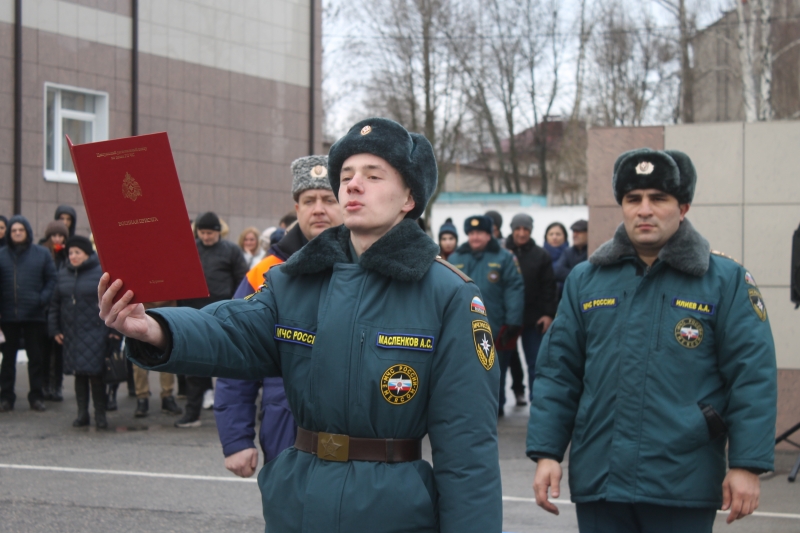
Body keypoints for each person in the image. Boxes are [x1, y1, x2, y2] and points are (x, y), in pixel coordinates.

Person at [100, 117, 502, 533]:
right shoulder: (294, 280)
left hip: (391, 512)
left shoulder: (448, 295)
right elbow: (231, 330)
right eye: (345, 175)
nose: (353, 185)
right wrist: (156, 329)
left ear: (408, 198)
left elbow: (468, 451)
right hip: (297, 507)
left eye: (373, 175)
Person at [528, 149, 777, 532]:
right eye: (633, 199)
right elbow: (558, 373)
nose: (644, 210)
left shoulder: (724, 281)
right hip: (601, 482)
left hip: (682, 480)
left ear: (683, 206)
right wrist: (547, 453)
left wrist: (746, 464)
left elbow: (752, 377)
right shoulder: (586, 280)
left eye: (658, 198)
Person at [218, 154, 343, 478]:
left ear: (346, 202)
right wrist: (236, 439)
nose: (319, 208)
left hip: (355, 436)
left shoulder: (366, 266)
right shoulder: (264, 273)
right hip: (285, 432)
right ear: (296, 208)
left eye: (328, 199)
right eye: (308, 200)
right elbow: (236, 354)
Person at [174, 211, 248, 428]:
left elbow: (241, 282)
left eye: (210, 233)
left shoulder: (231, 251)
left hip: (222, 315)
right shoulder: (188, 249)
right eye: (202, 232)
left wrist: (236, 310)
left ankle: (234, 416)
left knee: (228, 366)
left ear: (218, 232)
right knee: (194, 366)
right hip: (192, 314)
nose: (206, 237)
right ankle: (192, 413)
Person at [447, 214, 524, 417]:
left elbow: (514, 289)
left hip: (495, 328)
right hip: (462, 328)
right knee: (465, 372)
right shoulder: (455, 258)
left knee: (494, 372)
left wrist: (513, 323)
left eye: (480, 232)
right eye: (472, 233)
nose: (475, 237)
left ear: (489, 235)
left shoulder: (504, 258)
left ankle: (494, 410)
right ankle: (469, 412)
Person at [49, 236, 116, 428]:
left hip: (96, 331)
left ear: (87, 254)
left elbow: (111, 302)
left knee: (96, 375)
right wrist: (54, 329)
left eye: (77, 252)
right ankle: (82, 415)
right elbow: (55, 304)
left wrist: (114, 331)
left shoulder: (100, 273)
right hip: (72, 333)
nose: (73, 256)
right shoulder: (64, 273)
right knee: (79, 374)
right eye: (70, 253)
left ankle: (100, 416)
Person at [0, 216, 57, 412]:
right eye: (14, 230)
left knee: (36, 358)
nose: (17, 233)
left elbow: (52, 279)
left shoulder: (41, 254)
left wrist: (41, 300)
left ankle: (36, 397)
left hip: (34, 315)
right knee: (8, 360)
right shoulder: (1, 255)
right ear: (9, 233)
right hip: (8, 316)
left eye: (20, 230)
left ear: (27, 232)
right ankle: (6, 397)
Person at [505, 213, 557, 402]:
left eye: (525, 229)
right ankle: (498, 403)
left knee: (535, 362)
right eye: (518, 228)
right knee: (502, 363)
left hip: (533, 319)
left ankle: (537, 402)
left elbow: (549, 287)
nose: (521, 233)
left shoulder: (541, 255)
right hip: (507, 318)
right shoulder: (502, 252)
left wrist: (548, 314)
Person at [132, 300, 183, 417]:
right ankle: (142, 397)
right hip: (142, 308)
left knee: (167, 353)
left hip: (167, 309)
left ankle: (166, 395)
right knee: (140, 355)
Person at [40, 220, 70, 402]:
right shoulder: (43, 253)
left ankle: (57, 385)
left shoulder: (68, 254)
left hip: (61, 309)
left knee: (58, 351)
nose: (57, 239)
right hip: (45, 309)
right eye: (54, 235)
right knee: (44, 350)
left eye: (60, 235)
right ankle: (44, 384)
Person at [552, 219, 587, 284]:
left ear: (588, 233)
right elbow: (558, 271)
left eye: (578, 232)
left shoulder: (592, 251)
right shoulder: (568, 252)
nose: (575, 235)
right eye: (574, 232)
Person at [543, 222, 569, 301]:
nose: (554, 237)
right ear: (546, 237)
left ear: (565, 237)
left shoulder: (571, 254)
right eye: (551, 234)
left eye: (558, 234)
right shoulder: (539, 255)